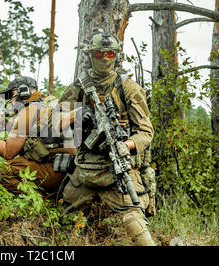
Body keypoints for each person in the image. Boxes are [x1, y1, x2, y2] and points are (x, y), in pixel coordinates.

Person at [58, 28, 156, 246]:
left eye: (109, 54)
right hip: (86, 171)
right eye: (98, 54)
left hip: (117, 169)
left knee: (133, 219)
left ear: (116, 56)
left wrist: (126, 145)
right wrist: (75, 116)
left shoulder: (128, 88)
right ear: (90, 56)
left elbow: (146, 132)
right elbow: (52, 122)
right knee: (64, 222)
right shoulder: (78, 88)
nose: (104, 58)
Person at [0, 76, 77, 198]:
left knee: (1, 172)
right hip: (64, 171)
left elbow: (8, 152)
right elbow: (34, 136)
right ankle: (49, 198)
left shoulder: (28, 111)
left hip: (52, 172)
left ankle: (43, 201)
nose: (10, 101)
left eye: (11, 94)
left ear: (24, 91)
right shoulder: (43, 107)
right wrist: (6, 125)